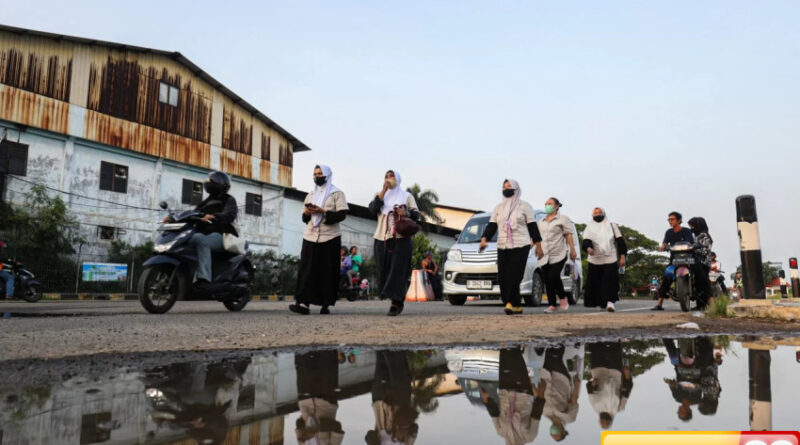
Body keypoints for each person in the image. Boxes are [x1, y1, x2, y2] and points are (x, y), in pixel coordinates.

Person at [164, 171, 238, 290]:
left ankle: (204, 279)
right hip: (202, 234)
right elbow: (191, 214)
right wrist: (173, 218)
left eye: (213, 181)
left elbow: (230, 214)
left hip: (221, 235)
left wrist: (215, 216)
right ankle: (186, 275)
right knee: (184, 241)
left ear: (222, 183)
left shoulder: (229, 200)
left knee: (203, 242)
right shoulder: (204, 203)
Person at [291, 165, 349, 315]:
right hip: (310, 236)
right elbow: (305, 218)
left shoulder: (337, 193)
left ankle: (325, 304)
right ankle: (303, 303)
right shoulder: (310, 194)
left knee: (326, 271)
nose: (317, 176)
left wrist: (323, 211)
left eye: (320, 174)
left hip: (330, 237)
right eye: (315, 174)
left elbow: (342, 215)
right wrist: (307, 211)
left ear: (327, 175)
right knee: (306, 269)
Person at [479, 180, 543, 315]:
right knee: (503, 276)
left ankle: (508, 302)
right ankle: (517, 304)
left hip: (521, 244)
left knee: (515, 275)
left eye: (509, 186)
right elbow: (492, 226)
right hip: (503, 244)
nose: (506, 188)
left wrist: (538, 246)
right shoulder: (498, 207)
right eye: (504, 186)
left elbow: (532, 227)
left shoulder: (525, 206)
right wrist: (484, 239)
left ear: (516, 189)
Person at [368, 170, 420, 316]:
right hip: (381, 238)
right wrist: (383, 191)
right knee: (383, 269)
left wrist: (406, 213)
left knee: (398, 271)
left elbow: (417, 215)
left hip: (401, 239)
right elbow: (372, 209)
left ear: (397, 179)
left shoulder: (406, 196)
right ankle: (390, 296)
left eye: (391, 176)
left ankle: (396, 302)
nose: (388, 179)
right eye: (386, 176)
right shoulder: (380, 195)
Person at [480, 347, 546, 444]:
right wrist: (541, 393)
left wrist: (487, 399)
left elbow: (494, 413)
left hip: (504, 391)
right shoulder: (530, 436)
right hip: (523, 392)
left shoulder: (501, 432)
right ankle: (516, 341)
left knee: (504, 355)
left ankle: (505, 337)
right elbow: (536, 412)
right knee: (515, 356)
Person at [365, 351, 418, 445]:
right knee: (397, 359)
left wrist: (373, 443)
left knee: (380, 356)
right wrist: (402, 429)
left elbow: (369, 435)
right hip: (400, 400)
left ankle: (380, 339)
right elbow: (414, 428)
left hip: (381, 402)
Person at [294, 350, 345, 444]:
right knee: (326, 359)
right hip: (326, 401)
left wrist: (304, 432)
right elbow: (338, 428)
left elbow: (298, 424)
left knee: (303, 359)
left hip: (305, 402)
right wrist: (321, 428)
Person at [582, 208, 627, 312]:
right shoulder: (589, 227)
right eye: (595, 213)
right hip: (595, 258)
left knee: (610, 280)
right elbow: (586, 241)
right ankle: (602, 303)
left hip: (609, 257)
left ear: (604, 214)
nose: (597, 215)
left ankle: (611, 302)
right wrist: (588, 248)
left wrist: (622, 256)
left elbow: (620, 241)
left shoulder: (612, 225)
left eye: (599, 213)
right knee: (596, 282)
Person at [537, 197, 577, 314]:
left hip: (559, 253)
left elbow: (568, 235)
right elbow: (536, 238)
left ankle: (562, 297)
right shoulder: (541, 222)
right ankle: (552, 305)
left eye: (549, 203)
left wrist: (572, 250)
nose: (547, 205)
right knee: (547, 280)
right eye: (546, 204)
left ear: (557, 206)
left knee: (553, 276)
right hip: (544, 254)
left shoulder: (563, 219)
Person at [652, 211, 695, 311]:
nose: (670, 221)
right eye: (669, 219)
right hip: (675, 260)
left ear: (679, 220)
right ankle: (659, 304)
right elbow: (664, 243)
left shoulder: (687, 231)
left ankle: (704, 299)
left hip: (688, 258)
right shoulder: (669, 232)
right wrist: (662, 247)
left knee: (698, 273)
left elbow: (690, 242)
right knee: (667, 277)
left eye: (672, 219)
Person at [586, 342, 633, 429]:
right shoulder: (619, 407)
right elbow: (626, 390)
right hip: (615, 371)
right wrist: (627, 376)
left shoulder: (596, 407)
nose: (602, 421)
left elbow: (589, 390)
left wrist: (592, 384)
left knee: (596, 345)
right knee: (614, 344)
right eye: (605, 423)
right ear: (610, 421)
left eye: (601, 423)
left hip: (598, 370)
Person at [541, 346, 581, 441]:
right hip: (561, 379)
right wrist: (577, 385)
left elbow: (539, 396)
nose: (553, 432)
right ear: (563, 431)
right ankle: (559, 338)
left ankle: (553, 336)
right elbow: (573, 400)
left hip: (546, 377)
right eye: (556, 433)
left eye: (552, 434)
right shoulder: (569, 418)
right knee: (555, 355)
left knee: (548, 354)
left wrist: (534, 385)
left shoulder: (545, 413)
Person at [687, 216, 713, 310]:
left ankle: (710, 303)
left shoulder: (704, 235)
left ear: (698, 225)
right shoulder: (697, 235)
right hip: (696, 261)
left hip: (702, 262)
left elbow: (705, 250)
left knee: (704, 282)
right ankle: (700, 305)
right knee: (698, 283)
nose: (691, 228)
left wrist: (692, 247)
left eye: (692, 226)